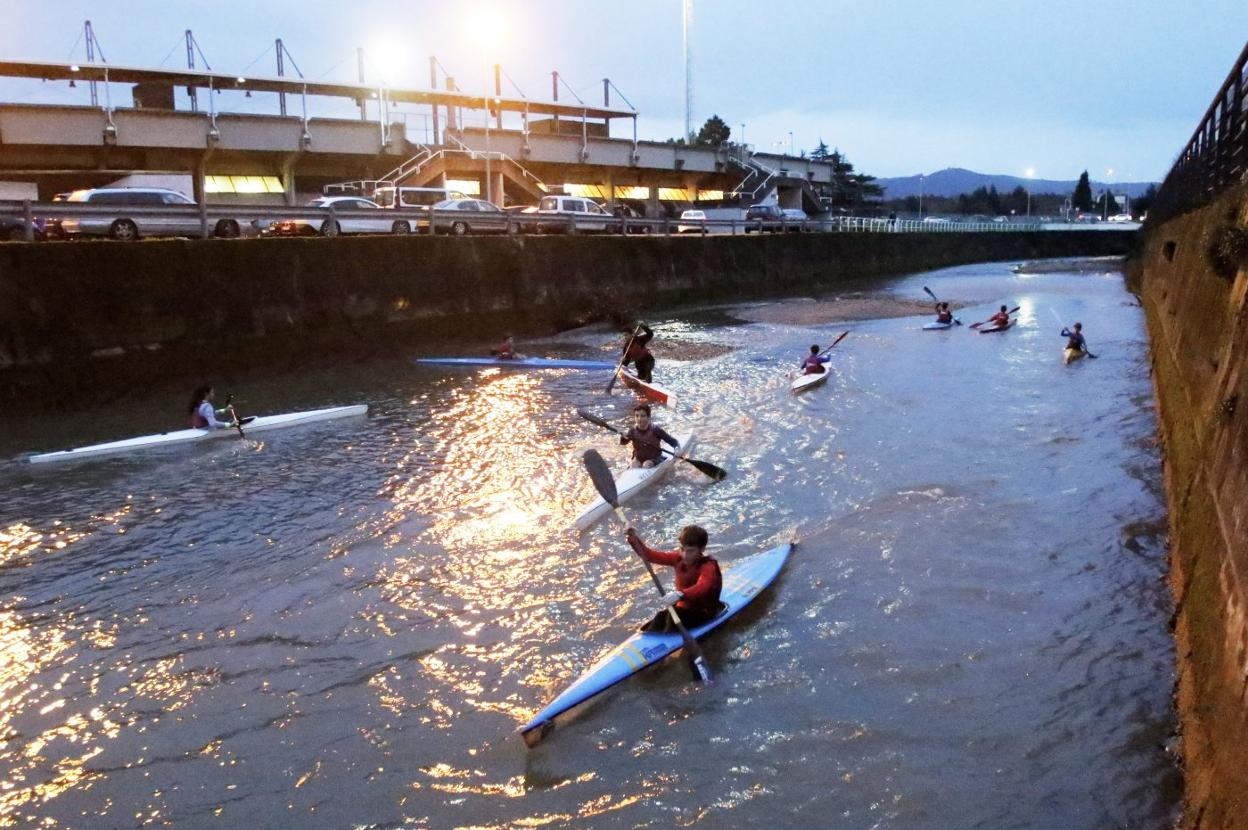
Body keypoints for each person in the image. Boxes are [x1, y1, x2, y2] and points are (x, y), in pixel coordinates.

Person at [625, 524, 723, 633]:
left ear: (702, 549)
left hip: (703, 612)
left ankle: (670, 643)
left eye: (690, 551)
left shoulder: (708, 566)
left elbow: (703, 586)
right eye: (682, 549)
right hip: (682, 609)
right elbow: (649, 555)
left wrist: (680, 594)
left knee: (673, 618)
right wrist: (633, 538)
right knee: (660, 617)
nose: (685, 555)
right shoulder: (677, 558)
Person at [620, 403, 680, 468]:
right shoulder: (632, 431)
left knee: (646, 464)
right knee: (633, 465)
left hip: (655, 458)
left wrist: (676, 450)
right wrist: (623, 437)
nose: (639, 419)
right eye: (637, 416)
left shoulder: (656, 430)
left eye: (643, 416)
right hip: (638, 458)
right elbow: (623, 443)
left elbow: (673, 442)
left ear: (648, 417)